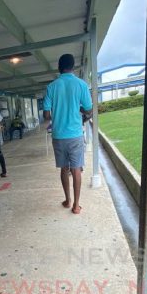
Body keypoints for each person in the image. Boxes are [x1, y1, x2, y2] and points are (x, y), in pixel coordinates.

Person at [43, 53, 92, 214]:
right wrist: (79, 111)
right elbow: (89, 110)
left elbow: (46, 115)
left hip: (58, 136)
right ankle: (76, 206)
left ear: (59, 67)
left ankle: (67, 200)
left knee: (64, 169)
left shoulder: (51, 87)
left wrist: (57, 114)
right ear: (73, 67)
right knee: (77, 169)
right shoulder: (81, 85)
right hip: (75, 134)